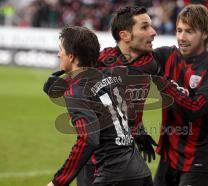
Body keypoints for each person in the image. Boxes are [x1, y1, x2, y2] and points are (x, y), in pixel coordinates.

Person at [45, 26, 153, 186]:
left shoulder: (76, 91)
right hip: (140, 173)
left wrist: (58, 182)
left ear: (71, 56)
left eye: (61, 49)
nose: (58, 54)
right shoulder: (110, 77)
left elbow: (88, 138)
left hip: (112, 175)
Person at [152, 4, 208, 186]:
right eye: (179, 30)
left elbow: (193, 108)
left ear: (204, 33)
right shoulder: (167, 55)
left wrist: (162, 82)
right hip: (169, 156)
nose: (181, 37)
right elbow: (139, 62)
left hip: (199, 160)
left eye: (189, 31)